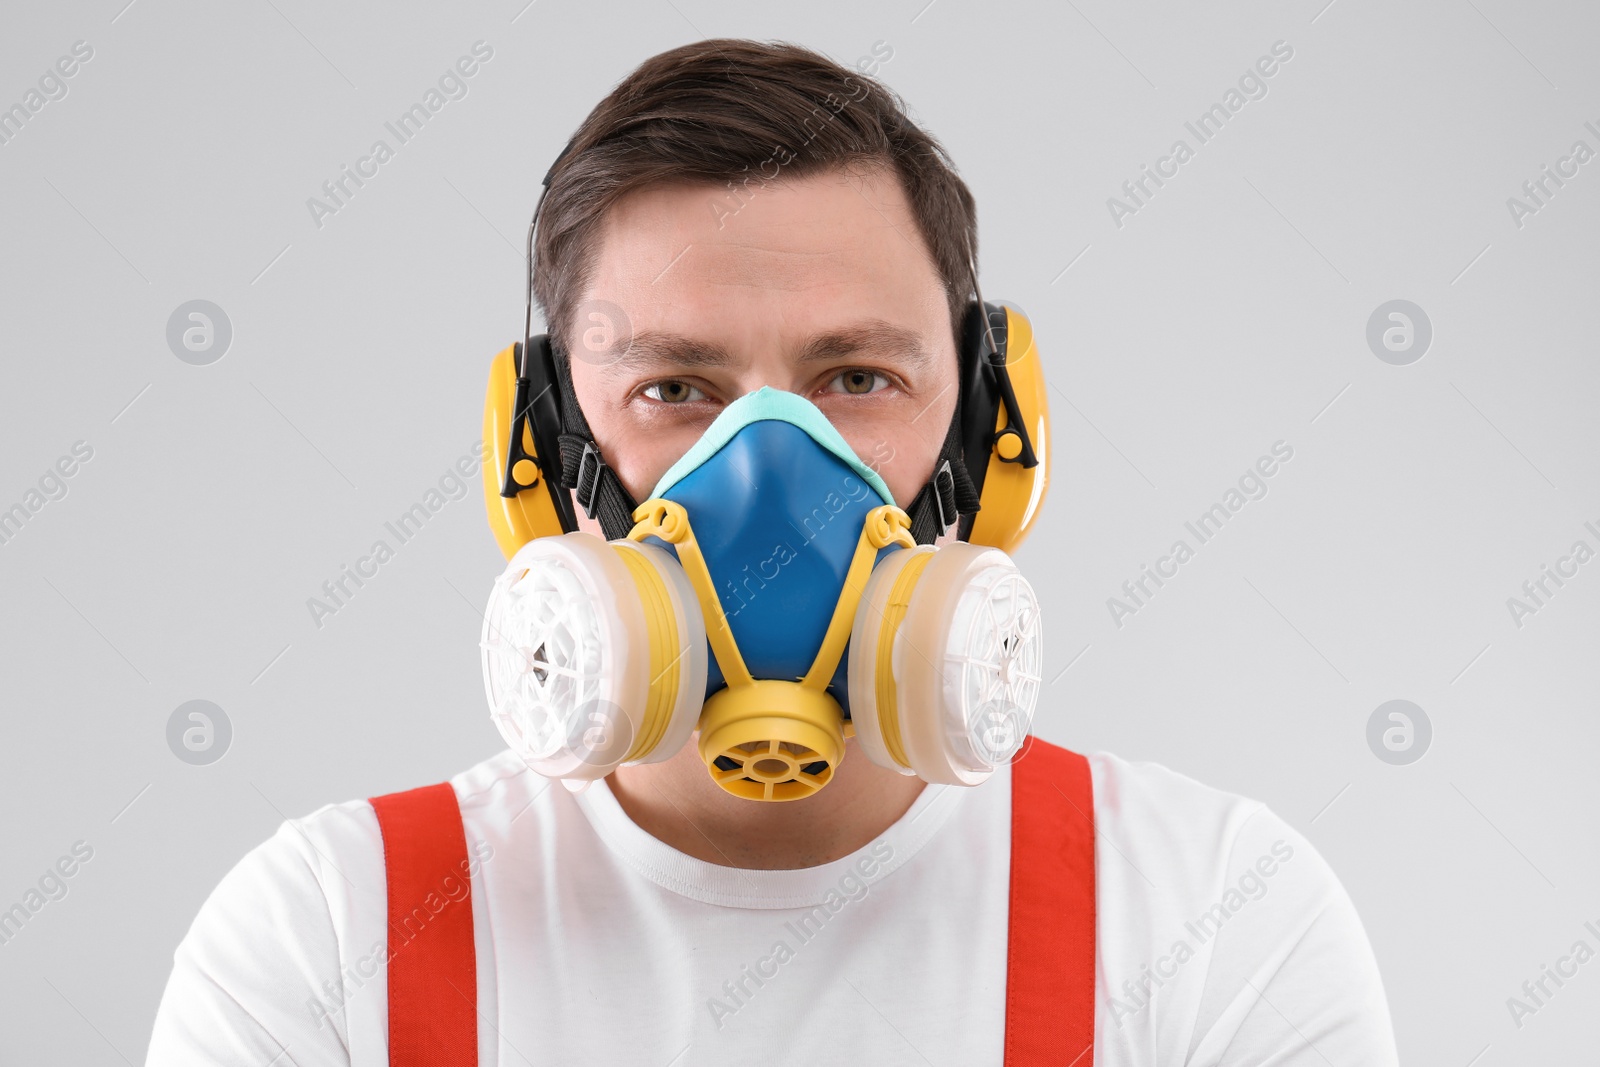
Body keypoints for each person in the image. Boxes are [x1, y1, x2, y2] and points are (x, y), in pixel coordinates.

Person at [147, 38, 1398, 1066]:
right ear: (535, 445)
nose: (767, 475)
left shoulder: (1219, 920)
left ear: (987, 432)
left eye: (857, 377)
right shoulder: (329, 936)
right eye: (676, 388)